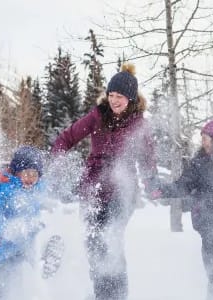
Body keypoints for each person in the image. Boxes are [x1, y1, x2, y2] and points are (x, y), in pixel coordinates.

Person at [51, 63, 158, 300]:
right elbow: (67, 137)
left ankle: (117, 295)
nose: (114, 100)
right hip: (93, 188)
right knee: (93, 242)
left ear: (130, 98)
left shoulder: (140, 124)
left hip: (123, 191)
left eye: (119, 96)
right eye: (111, 95)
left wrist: (152, 184)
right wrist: (56, 159)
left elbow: (148, 159)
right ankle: (102, 293)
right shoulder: (97, 116)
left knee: (110, 239)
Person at [152, 115, 213, 300]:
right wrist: (162, 190)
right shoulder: (198, 163)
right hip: (206, 221)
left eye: (206, 137)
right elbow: (183, 185)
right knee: (212, 261)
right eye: (202, 137)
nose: (202, 141)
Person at [0, 146, 44, 300]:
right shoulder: (3, 189)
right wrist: (3, 233)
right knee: (9, 284)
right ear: (16, 172)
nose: (30, 178)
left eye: (35, 174)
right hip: (4, 249)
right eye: (27, 173)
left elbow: (37, 210)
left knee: (27, 280)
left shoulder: (36, 189)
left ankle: (45, 263)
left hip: (25, 245)